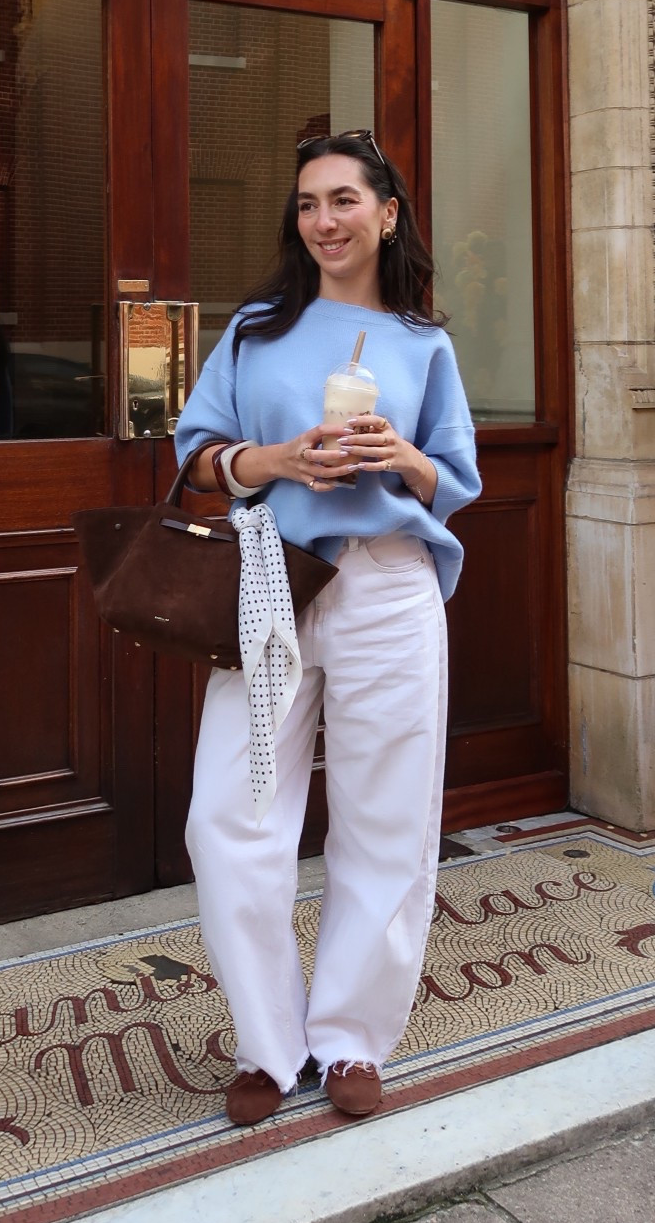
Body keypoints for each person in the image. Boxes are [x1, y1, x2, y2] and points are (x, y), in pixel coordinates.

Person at [174, 131, 480, 1126]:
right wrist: (277, 459)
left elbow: (453, 480)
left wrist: (399, 454)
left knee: (386, 816)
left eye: (343, 199)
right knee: (229, 816)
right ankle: (268, 1044)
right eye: (308, 203)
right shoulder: (256, 330)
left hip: (386, 582)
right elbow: (198, 457)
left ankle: (350, 1036)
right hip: (272, 575)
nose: (324, 220)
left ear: (386, 214)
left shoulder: (423, 344)